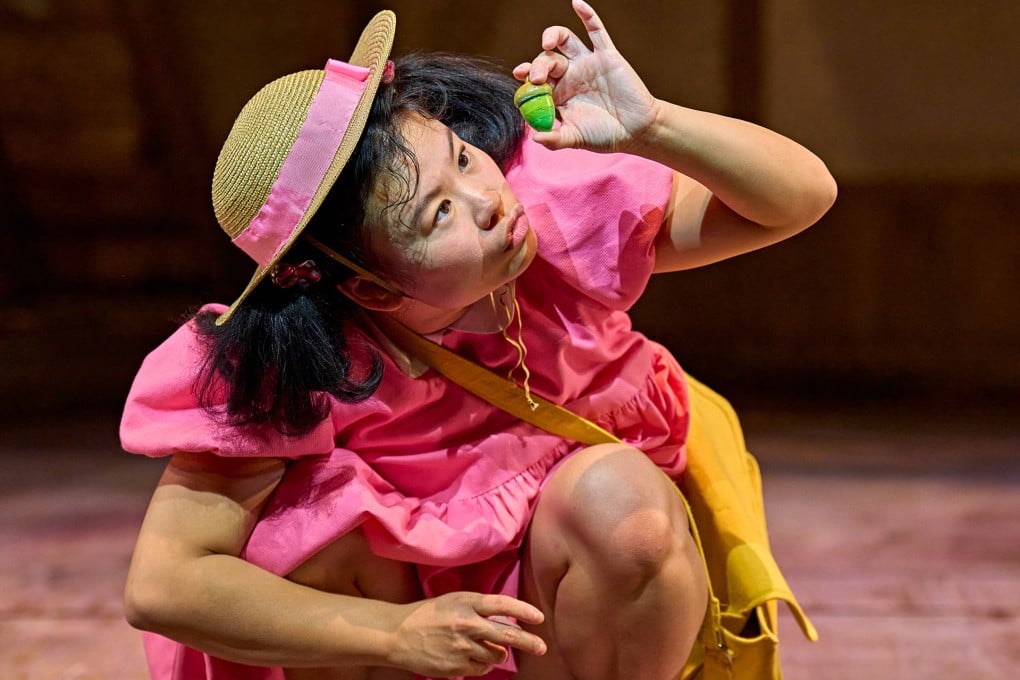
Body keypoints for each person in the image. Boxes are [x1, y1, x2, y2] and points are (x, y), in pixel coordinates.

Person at [120, 2, 836, 679]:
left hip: (562, 607)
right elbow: (166, 582)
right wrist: (397, 633)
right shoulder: (295, 363)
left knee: (624, 508)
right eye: (437, 217)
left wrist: (651, 127)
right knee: (308, 539)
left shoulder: (546, 208)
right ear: (367, 287)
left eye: (461, 158)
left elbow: (800, 198)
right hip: (403, 640)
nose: (489, 202)